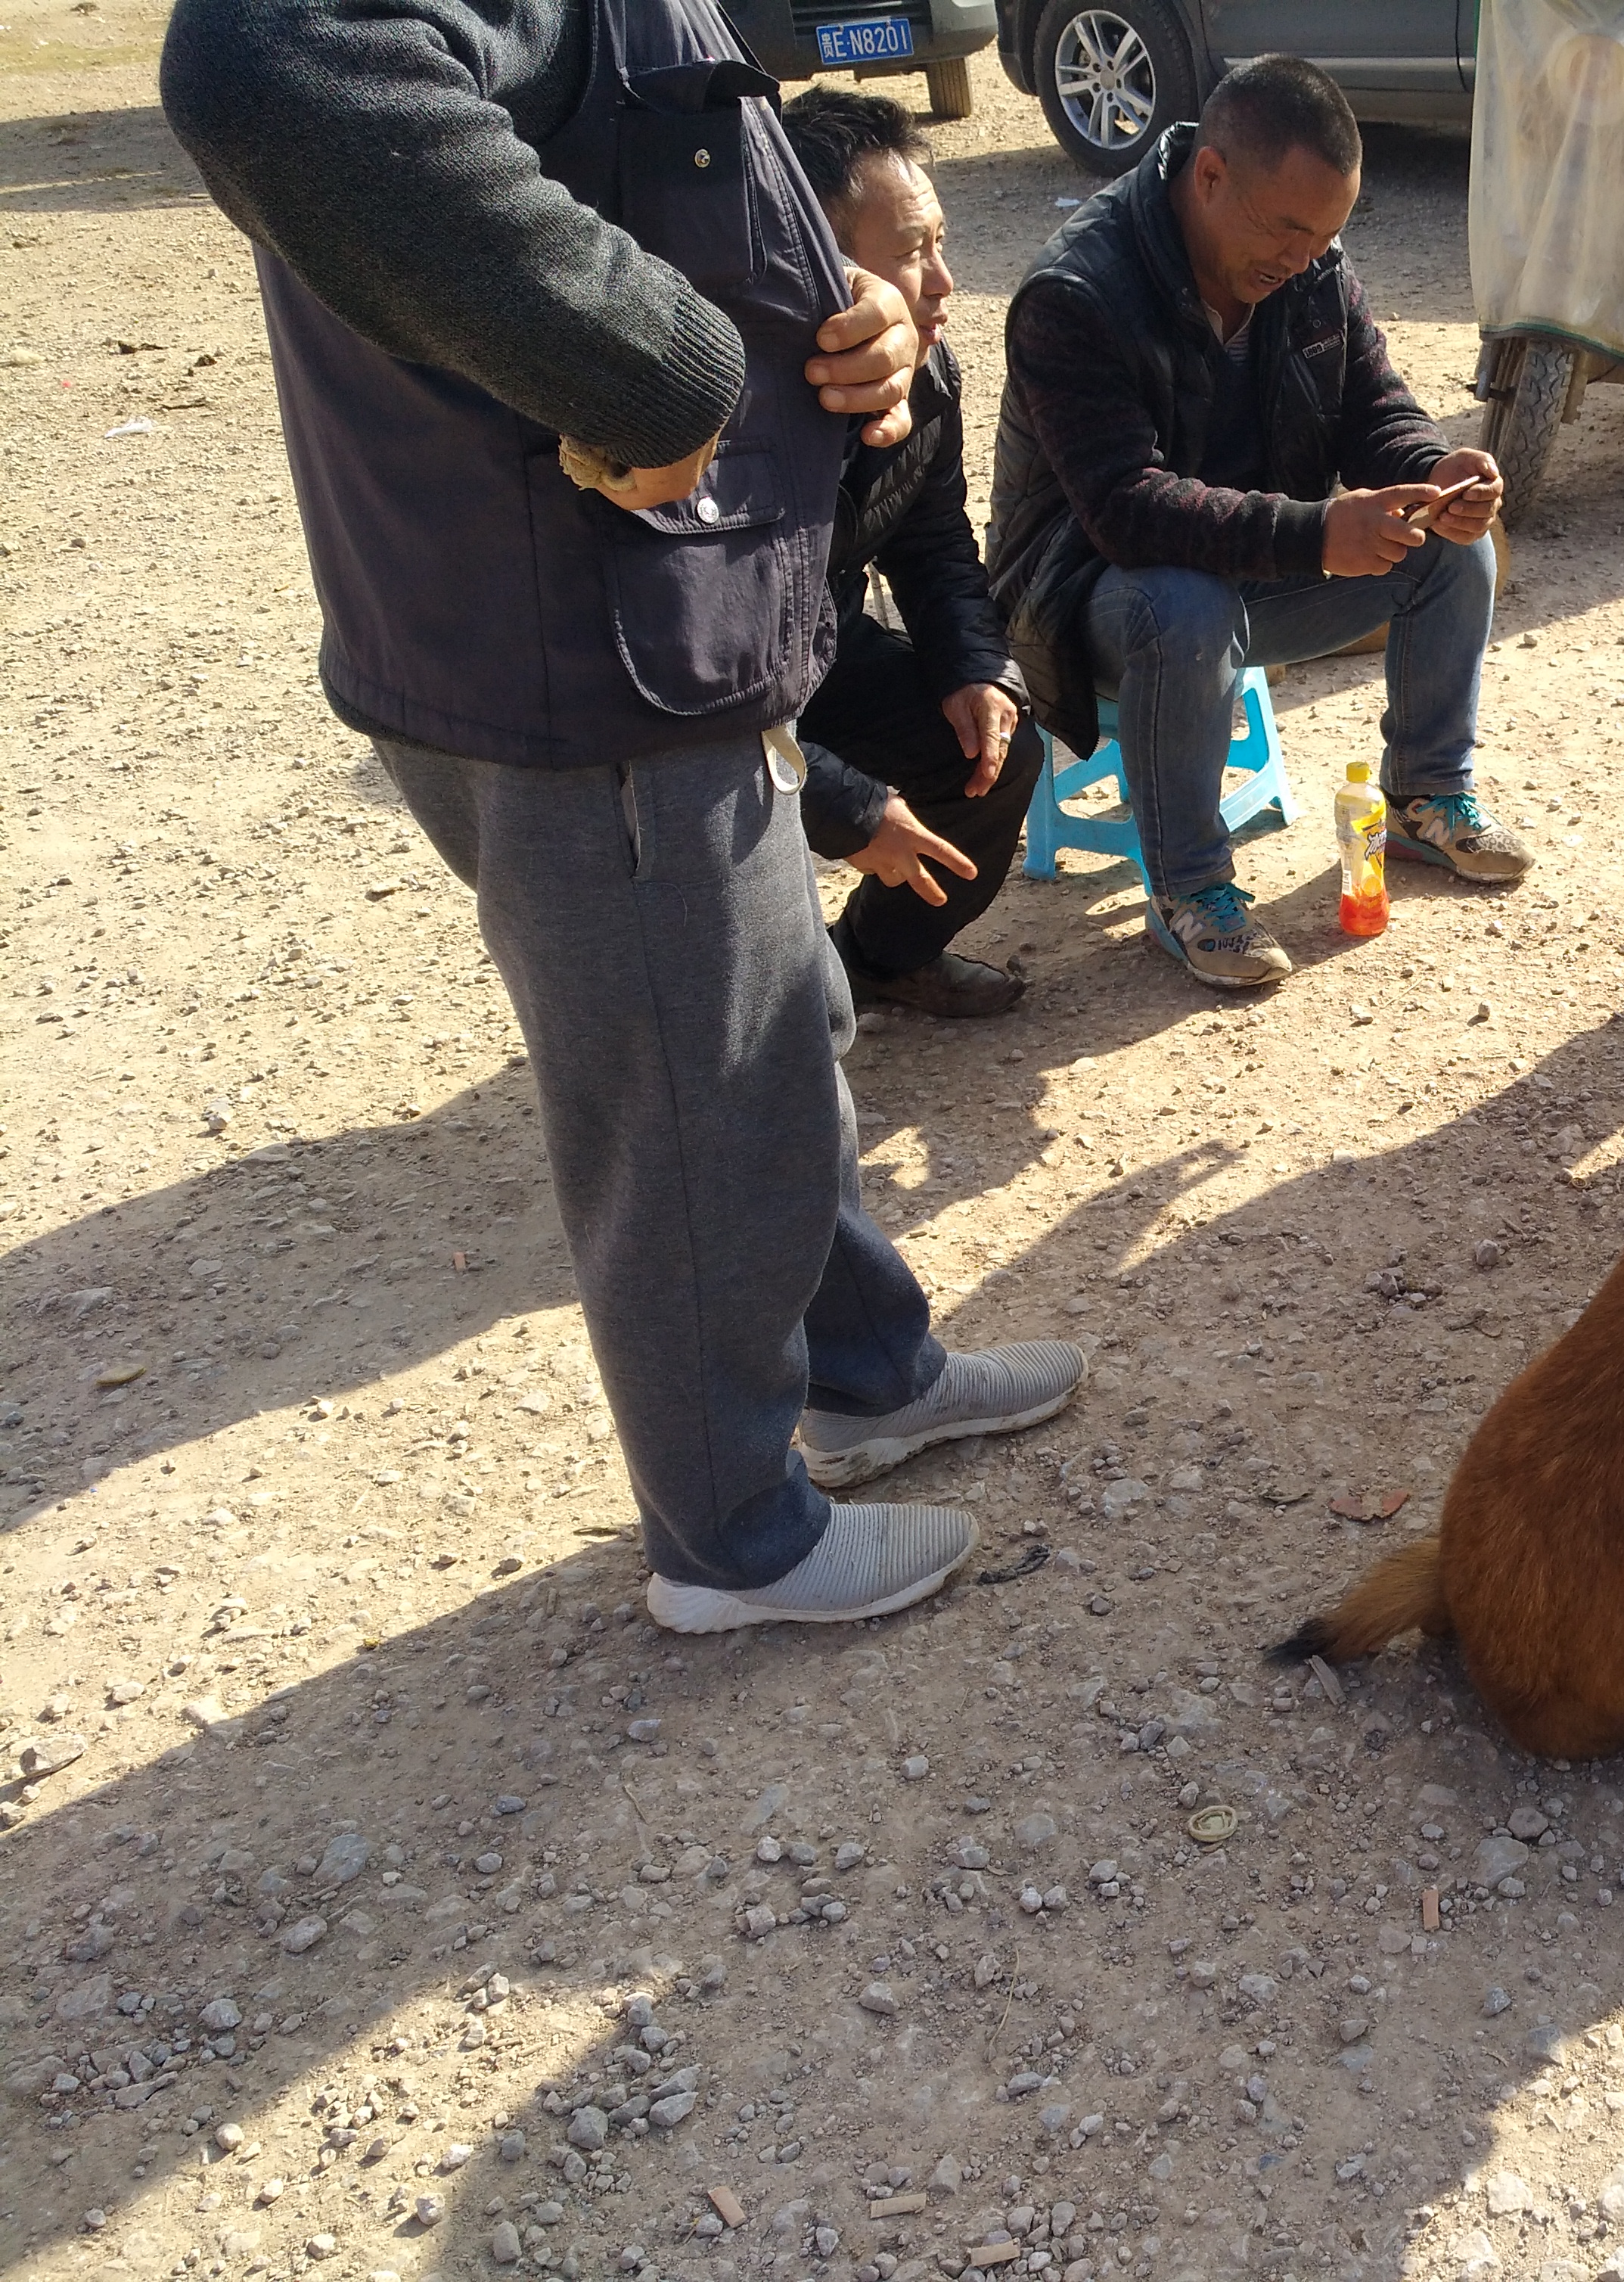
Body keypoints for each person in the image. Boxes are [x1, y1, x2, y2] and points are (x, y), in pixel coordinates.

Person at [160, 0, 1088, 1632]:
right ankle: (733, 1537)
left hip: (676, 649)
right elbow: (268, 67)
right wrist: (659, 368)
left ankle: (868, 1372)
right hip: (585, 675)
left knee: (778, 1035)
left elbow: (645, 156)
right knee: (686, 1110)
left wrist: (840, 309)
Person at [986, 57, 1525, 990]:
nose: (1305, 259)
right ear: (1209, 176)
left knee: (1453, 547)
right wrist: (1318, 534)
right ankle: (1191, 889)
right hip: (1087, 596)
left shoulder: (1309, 265)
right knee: (1184, 608)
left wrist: (1431, 470)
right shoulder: (1075, 294)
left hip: (1249, 566)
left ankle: (1427, 796)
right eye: (1288, 230)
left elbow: (1374, 408)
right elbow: (1126, 509)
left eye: (1325, 237)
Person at [783, 88, 1038, 1022]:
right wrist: (849, 810)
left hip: (823, 647)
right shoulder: (733, 418)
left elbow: (932, 543)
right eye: (910, 254)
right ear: (814, 268)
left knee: (991, 756)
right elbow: (705, 687)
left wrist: (979, 670)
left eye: (939, 243)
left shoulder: (927, 375)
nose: (942, 284)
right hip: (703, 705)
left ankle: (879, 961)